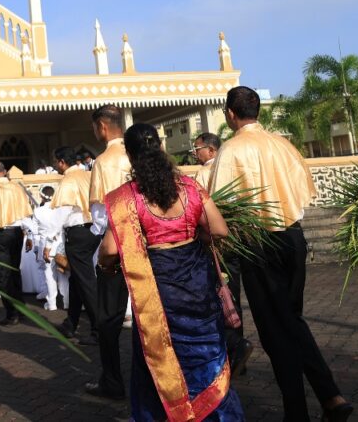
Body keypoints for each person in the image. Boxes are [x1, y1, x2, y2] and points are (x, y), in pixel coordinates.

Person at [208, 86, 351, 422]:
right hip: (293, 237)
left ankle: (301, 410)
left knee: (276, 330)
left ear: (231, 114)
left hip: (260, 243)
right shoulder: (282, 144)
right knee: (290, 320)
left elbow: (216, 204)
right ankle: (331, 397)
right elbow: (304, 189)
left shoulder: (231, 149)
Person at [99, 123, 244, 420]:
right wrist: (194, 239)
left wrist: (105, 267)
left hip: (157, 292)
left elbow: (110, 250)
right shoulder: (190, 187)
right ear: (162, 148)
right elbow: (219, 229)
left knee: (158, 360)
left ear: (130, 154)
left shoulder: (126, 198)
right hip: (198, 285)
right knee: (207, 357)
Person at [194, 132, 253, 375]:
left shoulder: (204, 174)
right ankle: (238, 350)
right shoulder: (233, 170)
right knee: (232, 297)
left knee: (217, 298)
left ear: (211, 150)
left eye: (197, 149)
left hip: (214, 244)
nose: (196, 153)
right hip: (234, 240)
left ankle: (228, 351)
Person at [86, 104, 133, 400]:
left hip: (116, 247)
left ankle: (112, 380)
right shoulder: (139, 154)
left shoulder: (103, 161)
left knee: (109, 319)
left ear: (102, 127)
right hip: (151, 245)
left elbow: (100, 216)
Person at [48, 145, 100, 344]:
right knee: (77, 279)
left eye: (56, 162)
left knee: (85, 280)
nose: (56, 166)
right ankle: (71, 323)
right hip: (93, 230)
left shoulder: (68, 180)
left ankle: (98, 328)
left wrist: (49, 241)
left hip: (77, 233)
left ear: (62, 162)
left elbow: (62, 211)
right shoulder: (88, 175)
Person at [0, 161, 37, 325]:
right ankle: (20, 308)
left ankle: (12, 313)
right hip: (17, 233)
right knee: (15, 271)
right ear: (4, 172)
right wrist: (30, 235)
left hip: (2, 234)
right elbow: (26, 215)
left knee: (4, 274)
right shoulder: (16, 188)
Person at [33, 186, 70, 311]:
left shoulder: (38, 211)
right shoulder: (60, 209)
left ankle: (52, 303)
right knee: (63, 274)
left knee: (49, 275)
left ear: (42, 196)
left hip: (45, 245)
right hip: (60, 244)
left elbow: (35, 230)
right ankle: (66, 302)